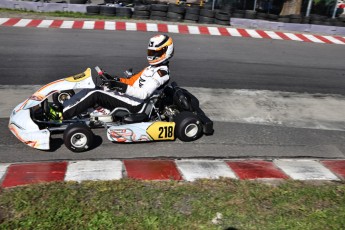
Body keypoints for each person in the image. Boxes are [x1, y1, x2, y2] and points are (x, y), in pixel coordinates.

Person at [50, 34, 174, 120]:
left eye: (155, 53)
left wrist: (119, 87)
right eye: (150, 52)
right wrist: (114, 80)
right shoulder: (150, 68)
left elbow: (143, 94)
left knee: (96, 94)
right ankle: (64, 106)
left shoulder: (161, 73)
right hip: (129, 97)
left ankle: (62, 116)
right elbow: (131, 81)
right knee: (93, 88)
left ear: (165, 52)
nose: (152, 56)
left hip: (135, 105)